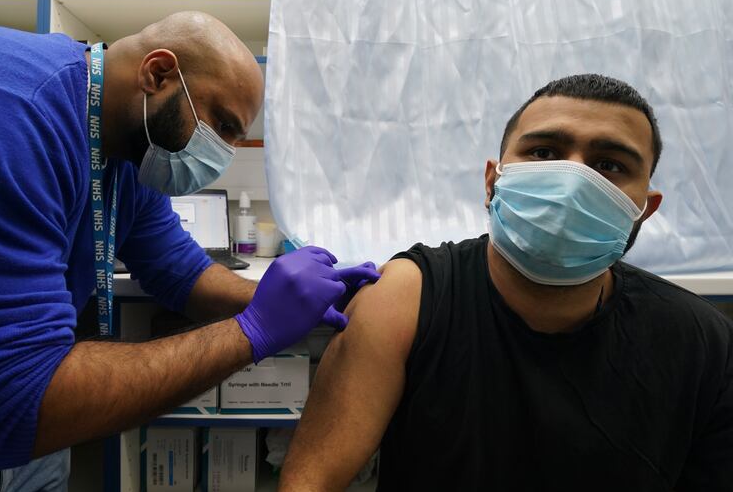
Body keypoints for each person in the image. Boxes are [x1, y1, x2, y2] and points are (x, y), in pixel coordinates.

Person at [0, 12, 379, 490]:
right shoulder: (3, 113)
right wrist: (253, 331)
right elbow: (2, 405)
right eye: (223, 126)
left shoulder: (124, 145)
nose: (225, 153)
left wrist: (279, 299)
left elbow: (178, 271)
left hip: (23, 432)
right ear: (157, 74)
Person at [279, 74, 733, 491]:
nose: (573, 181)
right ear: (492, 182)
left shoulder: (700, 342)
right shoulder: (407, 299)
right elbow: (309, 484)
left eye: (610, 165)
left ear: (644, 208)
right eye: (543, 153)